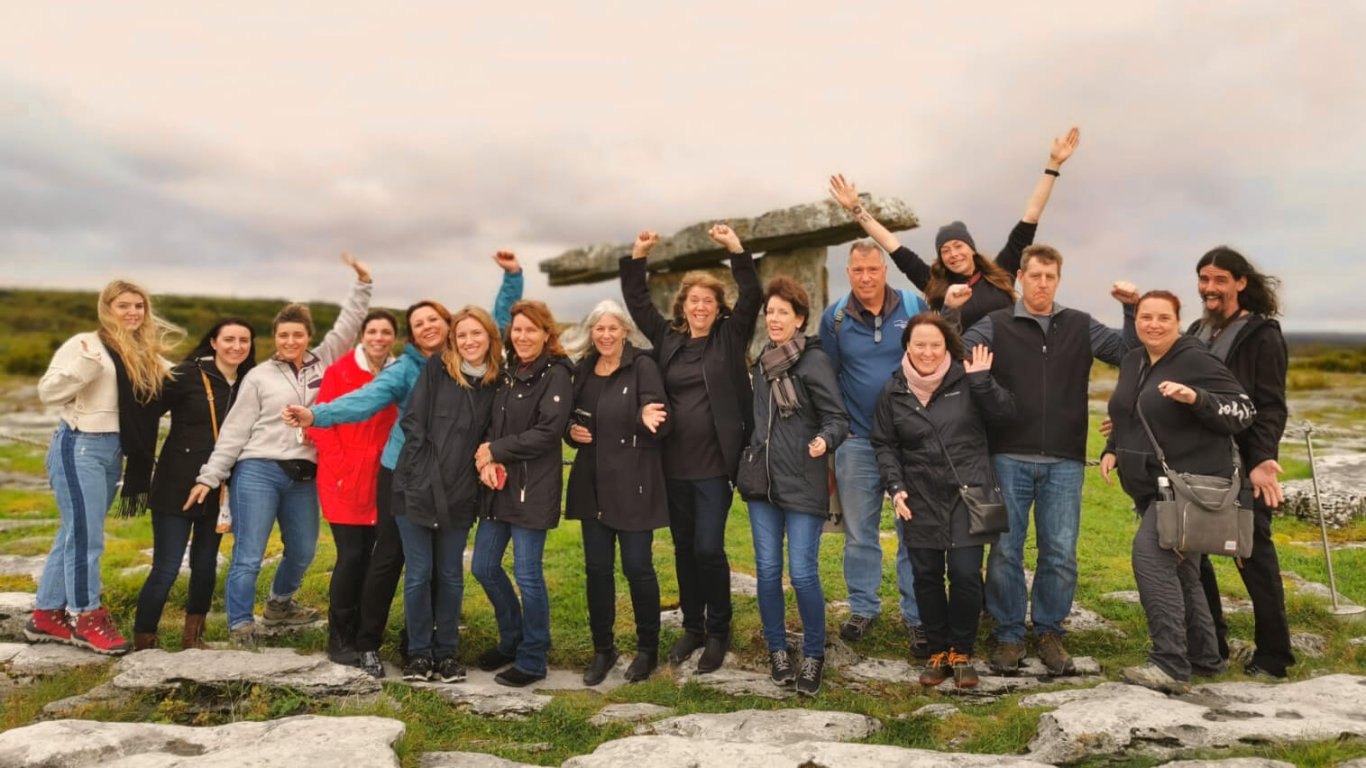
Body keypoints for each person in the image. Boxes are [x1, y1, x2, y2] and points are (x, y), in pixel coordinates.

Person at [282, 253, 523, 676]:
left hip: (454, 473)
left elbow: (496, 321)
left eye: (435, 320)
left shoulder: (470, 358)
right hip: (403, 472)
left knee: (441, 568)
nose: (428, 327)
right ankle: (367, 642)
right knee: (390, 559)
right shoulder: (407, 369)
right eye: (418, 324)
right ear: (412, 336)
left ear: (448, 325)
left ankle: (425, 644)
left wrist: (513, 277)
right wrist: (318, 414)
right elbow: (366, 400)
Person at [962, 244, 1136, 675]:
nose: (1042, 283)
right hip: (1008, 455)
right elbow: (955, 352)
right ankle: (1006, 634)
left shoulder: (1079, 324)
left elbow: (1129, 355)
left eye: (1050, 277)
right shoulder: (996, 324)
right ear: (1019, 278)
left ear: (1058, 279)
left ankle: (1049, 631)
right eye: (1035, 275)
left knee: (1059, 550)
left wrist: (1132, 311)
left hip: (1064, 459)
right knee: (1005, 548)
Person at [188, 255, 373, 648]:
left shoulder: (324, 362)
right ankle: (240, 624)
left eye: (298, 335)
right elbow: (235, 432)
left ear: (308, 336)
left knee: (304, 550)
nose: (291, 341)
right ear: (275, 338)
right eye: (283, 335)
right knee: (249, 554)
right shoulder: (258, 377)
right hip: (259, 470)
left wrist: (363, 283)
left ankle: (279, 605)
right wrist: (210, 475)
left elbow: (350, 323)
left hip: (305, 475)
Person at [620, 225, 761, 673]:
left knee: (707, 548)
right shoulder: (668, 339)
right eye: (693, 301)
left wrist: (736, 250)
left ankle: (719, 631)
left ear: (719, 308)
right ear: (683, 305)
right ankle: (693, 627)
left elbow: (753, 296)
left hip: (716, 465)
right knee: (682, 547)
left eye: (709, 301)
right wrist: (638, 255)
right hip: (671, 462)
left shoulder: (730, 337)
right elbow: (638, 303)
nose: (700, 307)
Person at [1100, 290, 1255, 692]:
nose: (1153, 324)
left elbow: (1243, 409)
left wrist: (1196, 398)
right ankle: (1206, 658)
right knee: (1185, 572)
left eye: (1162, 318)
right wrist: (1112, 448)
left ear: (1177, 320)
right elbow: (1129, 412)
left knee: (1150, 558)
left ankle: (1169, 664)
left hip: (1189, 486)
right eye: (1145, 317)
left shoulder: (1195, 359)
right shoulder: (1135, 359)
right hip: (1150, 487)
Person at [27, 281, 182, 655]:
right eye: (123, 305)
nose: (132, 312)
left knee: (75, 532)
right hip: (80, 446)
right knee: (86, 536)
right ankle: (86, 616)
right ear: (107, 308)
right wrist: (84, 369)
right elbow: (48, 392)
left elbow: (181, 379)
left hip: (114, 450)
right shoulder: (85, 345)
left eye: (139, 306)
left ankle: (46, 616)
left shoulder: (144, 352)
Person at [872, 314, 1015, 689]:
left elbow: (1005, 416)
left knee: (967, 576)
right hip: (918, 497)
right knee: (926, 577)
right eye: (919, 344)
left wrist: (982, 382)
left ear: (947, 346)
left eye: (935, 344)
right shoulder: (893, 390)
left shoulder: (968, 378)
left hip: (968, 495)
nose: (927, 352)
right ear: (907, 346)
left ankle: (962, 652)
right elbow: (884, 444)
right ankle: (938, 652)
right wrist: (895, 485)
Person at [829, 126, 1081, 330]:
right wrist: (856, 209)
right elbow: (892, 245)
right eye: (945, 250)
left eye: (958, 246)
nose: (953, 254)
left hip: (1010, 368)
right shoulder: (936, 283)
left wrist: (1053, 164)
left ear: (971, 248)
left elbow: (1031, 216)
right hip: (965, 374)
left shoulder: (1000, 273)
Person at [817, 239, 929, 654]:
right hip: (858, 441)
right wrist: (838, 429)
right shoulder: (835, 318)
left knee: (912, 531)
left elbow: (934, 357)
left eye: (873, 269)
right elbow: (826, 376)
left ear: (885, 270)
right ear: (848, 273)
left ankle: (916, 615)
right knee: (860, 533)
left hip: (910, 442)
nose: (866, 277)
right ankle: (863, 607)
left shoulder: (915, 307)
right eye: (857, 270)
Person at [1189, 248, 1294, 678]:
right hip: (1197, 462)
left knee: (1253, 558)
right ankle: (1211, 641)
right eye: (1203, 279)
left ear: (1240, 283)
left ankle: (1274, 655)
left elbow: (1271, 406)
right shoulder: (1197, 330)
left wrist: (1262, 459)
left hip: (1243, 464)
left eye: (1219, 280)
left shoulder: (1263, 335)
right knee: (1193, 551)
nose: (1210, 288)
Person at [745, 277, 848, 696]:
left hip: (803, 480)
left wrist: (826, 440)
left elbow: (837, 417)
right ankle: (777, 650)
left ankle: (813, 654)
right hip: (762, 484)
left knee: (803, 574)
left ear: (800, 319)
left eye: (782, 313)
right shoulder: (761, 362)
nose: (774, 319)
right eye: (770, 312)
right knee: (768, 572)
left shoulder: (813, 362)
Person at [389, 306, 503, 683]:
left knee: (451, 574)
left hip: (460, 492)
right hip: (416, 487)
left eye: (477, 334)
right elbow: (414, 422)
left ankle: (448, 653)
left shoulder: (495, 382)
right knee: (419, 573)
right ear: (453, 339)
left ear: (489, 337)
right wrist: (425, 473)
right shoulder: (438, 368)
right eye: (462, 335)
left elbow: (491, 435)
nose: (469, 341)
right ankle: (420, 654)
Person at [132, 318, 257, 651]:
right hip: (176, 483)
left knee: (205, 565)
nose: (237, 346)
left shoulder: (251, 380)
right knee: (167, 566)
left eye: (244, 340)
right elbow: (145, 410)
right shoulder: (186, 375)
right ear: (213, 342)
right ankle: (144, 640)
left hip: (221, 488)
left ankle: (193, 638)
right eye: (229, 339)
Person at [563, 300, 671, 686]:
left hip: (634, 482)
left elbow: (661, 416)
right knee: (596, 570)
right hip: (592, 483)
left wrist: (645, 416)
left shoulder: (642, 365)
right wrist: (570, 432)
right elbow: (571, 419)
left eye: (612, 328)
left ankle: (647, 650)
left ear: (625, 330)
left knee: (638, 567)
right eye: (598, 329)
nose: (605, 335)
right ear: (591, 333)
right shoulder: (583, 370)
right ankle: (603, 650)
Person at [472, 300, 574, 687]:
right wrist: (486, 459)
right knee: (483, 566)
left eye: (532, 329)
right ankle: (512, 639)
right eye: (517, 329)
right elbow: (491, 424)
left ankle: (533, 657)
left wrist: (496, 450)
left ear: (547, 333)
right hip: (499, 486)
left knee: (527, 575)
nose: (523, 335)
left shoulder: (557, 374)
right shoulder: (509, 372)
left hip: (533, 487)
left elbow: (548, 432)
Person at [309, 309, 399, 664]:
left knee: (376, 559)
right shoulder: (340, 371)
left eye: (386, 332)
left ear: (394, 337)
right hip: (343, 477)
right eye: (372, 331)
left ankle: (366, 634)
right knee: (351, 556)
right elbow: (319, 422)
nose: (379, 338)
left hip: (383, 479)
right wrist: (342, 464)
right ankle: (339, 636)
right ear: (362, 335)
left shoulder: (399, 374)